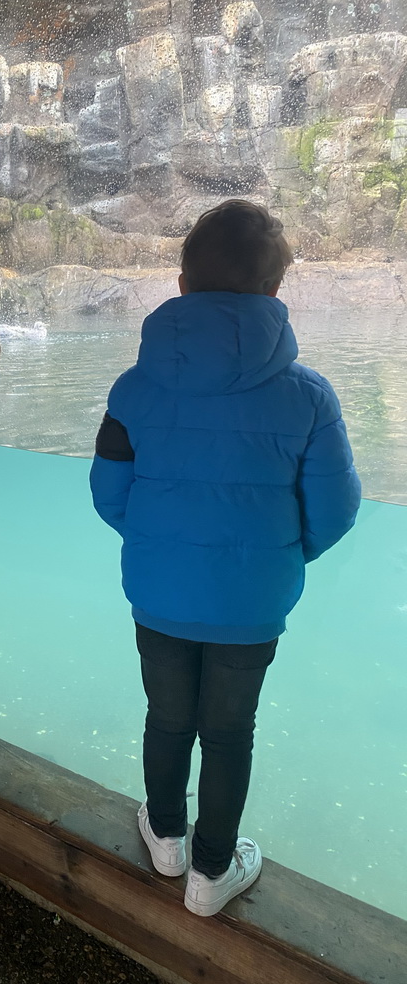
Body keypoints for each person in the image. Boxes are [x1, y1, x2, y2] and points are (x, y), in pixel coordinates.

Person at [89, 200, 361, 916]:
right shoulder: (310, 398)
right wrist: (270, 557)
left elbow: (107, 495)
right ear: (276, 292)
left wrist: (160, 546)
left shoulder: (132, 390)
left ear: (181, 285)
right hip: (252, 605)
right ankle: (211, 875)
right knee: (229, 733)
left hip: (159, 594)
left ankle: (166, 840)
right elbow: (336, 512)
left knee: (167, 718)